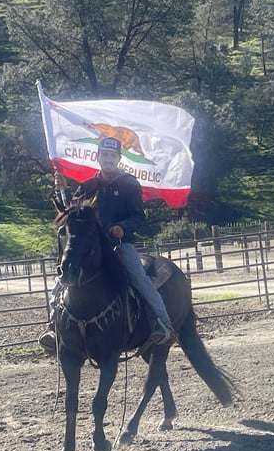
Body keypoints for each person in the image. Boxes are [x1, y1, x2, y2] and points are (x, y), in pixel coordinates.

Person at [38, 136, 176, 353]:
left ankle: (163, 323)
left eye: (112, 156)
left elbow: (138, 216)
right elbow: (71, 211)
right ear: (98, 157)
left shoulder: (130, 184)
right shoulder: (89, 185)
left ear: (119, 158)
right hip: (91, 246)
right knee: (61, 279)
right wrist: (62, 189)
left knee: (139, 277)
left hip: (120, 243)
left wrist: (123, 226)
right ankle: (53, 326)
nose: (108, 159)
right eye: (105, 155)